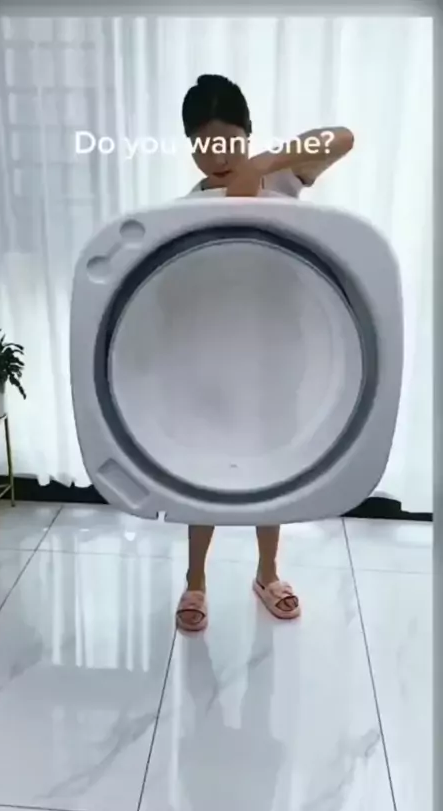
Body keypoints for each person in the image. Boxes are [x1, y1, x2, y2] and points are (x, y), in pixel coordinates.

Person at [176, 73, 354, 632]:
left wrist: (264, 164)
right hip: (216, 365)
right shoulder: (188, 207)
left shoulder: (281, 178)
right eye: (203, 144)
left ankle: (268, 573)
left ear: (247, 135)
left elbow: (342, 138)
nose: (217, 156)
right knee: (204, 473)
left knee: (273, 468)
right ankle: (195, 581)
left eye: (228, 141)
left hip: (280, 360)